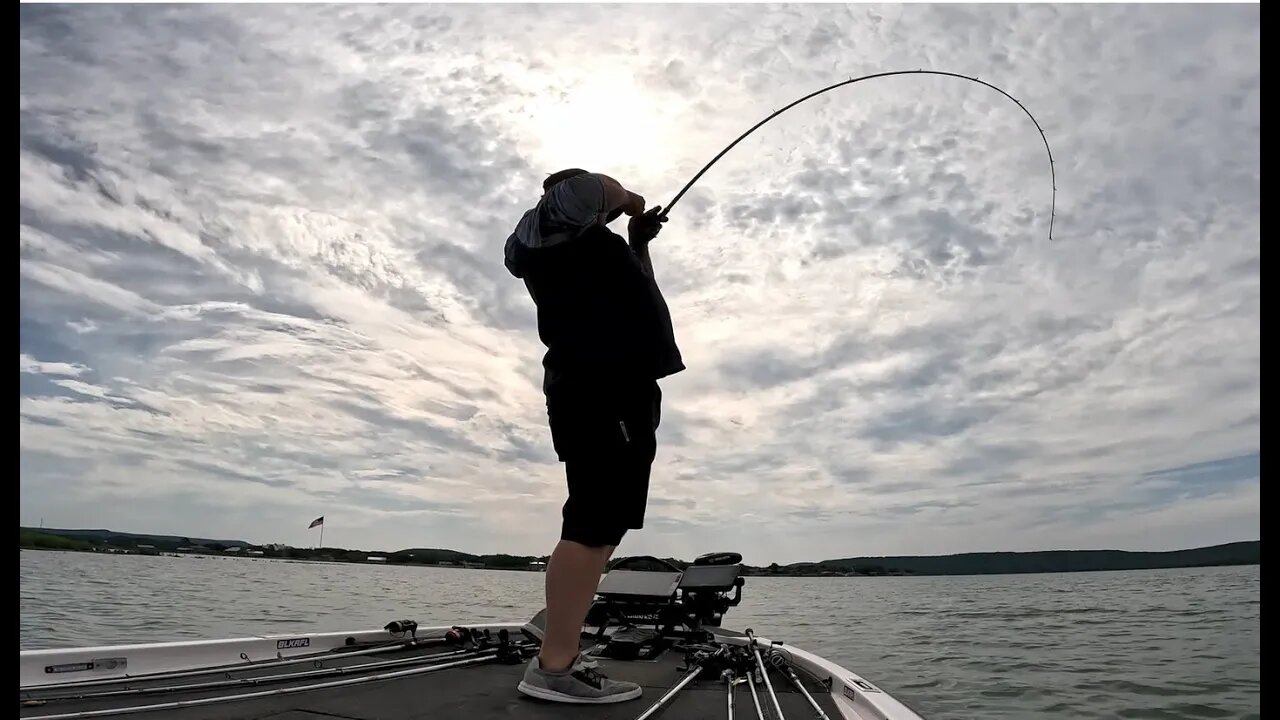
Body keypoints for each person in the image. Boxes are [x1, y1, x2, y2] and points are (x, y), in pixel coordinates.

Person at [503, 169, 685, 703]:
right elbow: (592, 192)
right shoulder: (543, 227)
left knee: (602, 521)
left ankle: (557, 619)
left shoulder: (585, 247)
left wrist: (637, 242)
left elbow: (638, 291)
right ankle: (554, 669)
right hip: (602, 389)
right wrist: (629, 201)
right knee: (594, 520)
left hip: (615, 390)